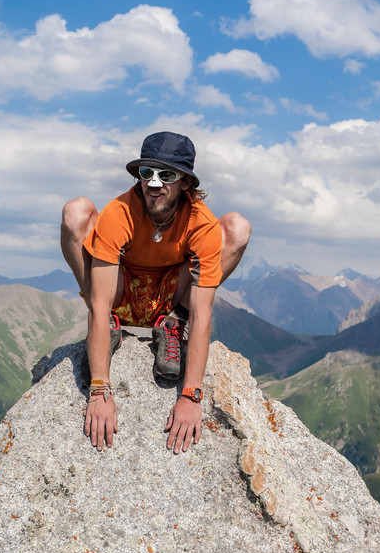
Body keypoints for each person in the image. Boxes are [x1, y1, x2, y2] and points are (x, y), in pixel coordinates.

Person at [60, 131, 251, 456]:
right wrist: (99, 389)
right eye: (146, 172)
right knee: (76, 211)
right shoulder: (119, 212)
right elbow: (100, 304)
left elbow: (204, 315)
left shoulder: (201, 223)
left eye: (167, 174)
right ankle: (111, 328)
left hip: (171, 293)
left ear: (186, 183)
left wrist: (191, 395)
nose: (153, 183)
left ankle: (174, 321)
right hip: (117, 293)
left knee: (236, 227)